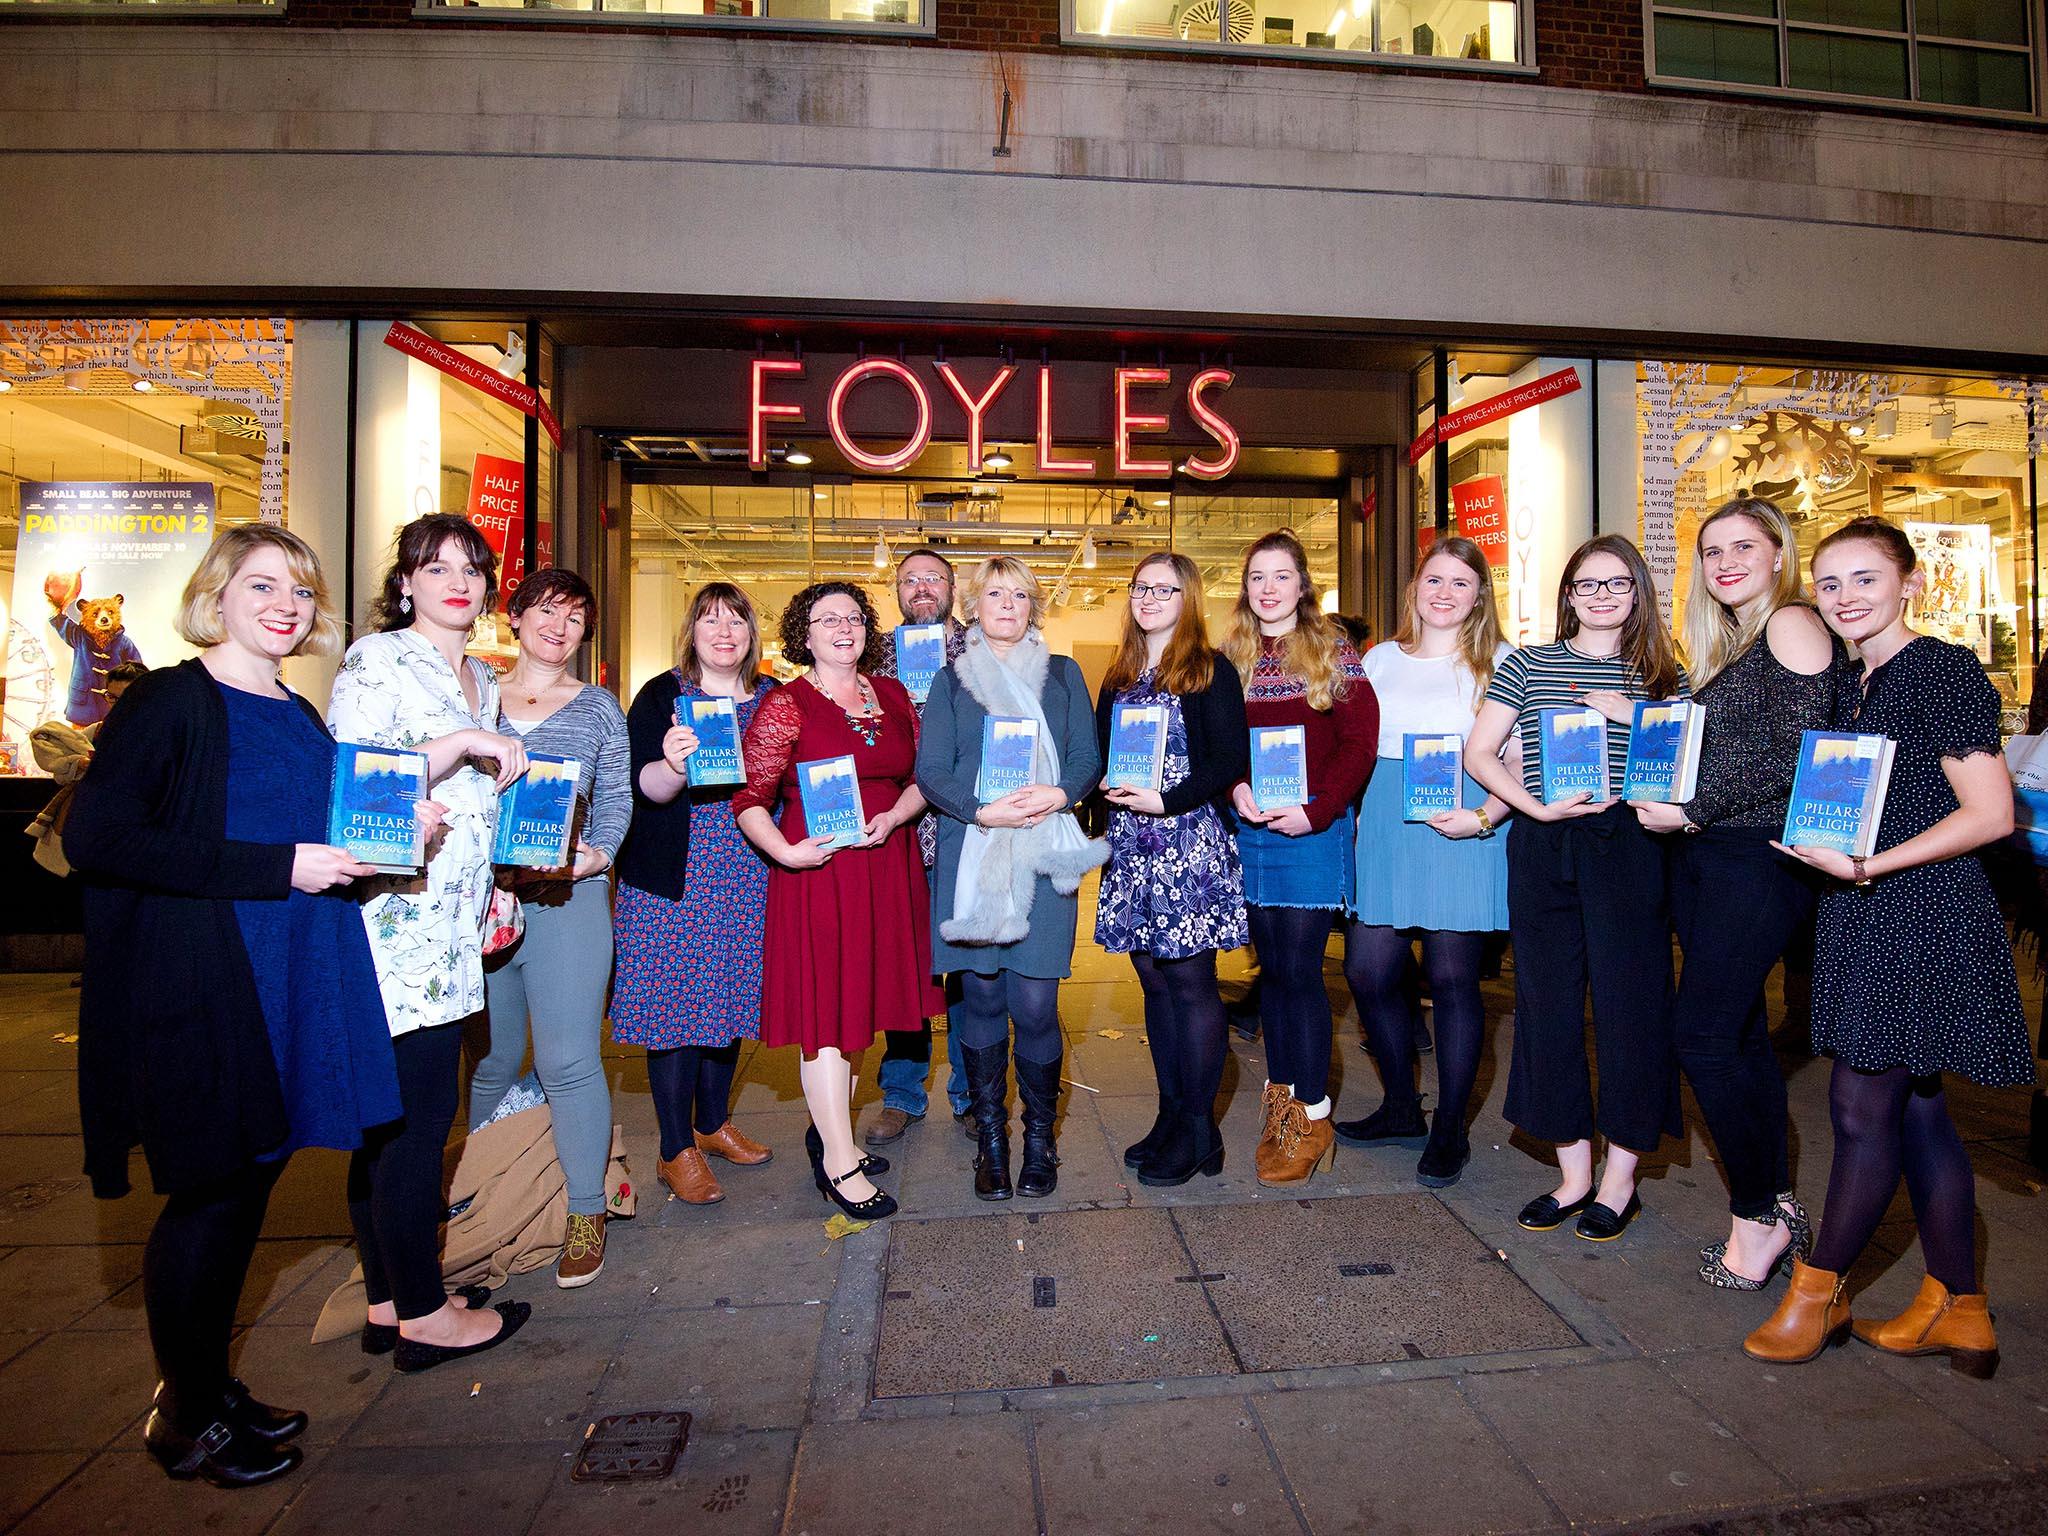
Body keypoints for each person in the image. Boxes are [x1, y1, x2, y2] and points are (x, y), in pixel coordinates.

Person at [66, 527, 402, 1487]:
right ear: (216, 595)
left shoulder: (295, 710)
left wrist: (384, 831)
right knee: (208, 1195)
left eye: (299, 588)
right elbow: (101, 837)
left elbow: (315, 826)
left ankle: (211, 1387)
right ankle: (182, 1417)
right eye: (262, 585)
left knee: (249, 1188)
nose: (285, 604)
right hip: (209, 981)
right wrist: (278, 867)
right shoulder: (173, 701)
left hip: (288, 974)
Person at [1745, 517, 2031, 1375]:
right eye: (1829, 584)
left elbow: (1991, 812)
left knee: (1859, 1110)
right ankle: (1960, 1306)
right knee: (1919, 1109)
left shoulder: (1938, 668)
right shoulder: (1855, 682)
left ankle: (1819, 1290)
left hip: (1919, 910)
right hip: (1868, 909)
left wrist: (1867, 864)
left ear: (1908, 582)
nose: (1845, 598)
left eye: (1865, 579)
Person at [327, 513, 532, 1372]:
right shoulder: (377, 661)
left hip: (454, 921)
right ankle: (423, 1315)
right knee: (411, 1126)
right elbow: (358, 784)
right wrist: (464, 742)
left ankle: (388, 1298)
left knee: (398, 1122)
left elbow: (484, 804)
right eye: (435, 566)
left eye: (472, 569)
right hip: (392, 922)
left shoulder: (480, 676)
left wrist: (499, 888)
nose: (458, 581)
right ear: (405, 582)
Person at [1626, 498, 1839, 1290]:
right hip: (1713, 859)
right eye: (1711, 550)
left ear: (1779, 552)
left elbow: (1799, 745)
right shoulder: (1735, 642)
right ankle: (1775, 1203)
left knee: (1705, 1036)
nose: (1725, 562)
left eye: (1743, 546)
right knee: (1739, 1035)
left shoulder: (1790, 622)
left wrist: (1692, 806)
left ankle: (1756, 1217)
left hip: (1755, 859)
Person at [1465, 534, 1687, 1242]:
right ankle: (1573, 1175)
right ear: (1567, 595)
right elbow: (1481, 751)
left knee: (1632, 1007)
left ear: (1637, 594)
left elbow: (1685, 760)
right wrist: (1532, 807)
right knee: (1547, 1003)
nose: (1600, 596)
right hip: (1544, 841)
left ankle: (1621, 1182)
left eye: (1616, 584)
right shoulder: (1529, 663)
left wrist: (1634, 714)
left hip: (1629, 844)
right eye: (1586, 585)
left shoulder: (1661, 675)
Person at [734, 581, 944, 1221]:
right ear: (805, 632)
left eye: (853, 617)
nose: (843, 628)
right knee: (829, 1019)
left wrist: (898, 816)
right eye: (828, 619)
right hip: (821, 876)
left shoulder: (894, 694)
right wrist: (786, 852)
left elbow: (920, 780)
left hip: (888, 867)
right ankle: (837, 1162)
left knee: (860, 1014)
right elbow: (749, 799)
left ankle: (834, 1134)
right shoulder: (787, 705)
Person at [916, 557, 1105, 1199]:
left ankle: (1041, 1137)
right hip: (976, 852)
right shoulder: (951, 681)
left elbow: (1086, 755)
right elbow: (931, 770)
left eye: (1019, 594)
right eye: (994, 594)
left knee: (1035, 1003)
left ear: (1034, 607)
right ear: (974, 605)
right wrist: (981, 809)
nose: (1007, 604)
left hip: (1043, 851)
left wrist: (1059, 794)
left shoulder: (1065, 675)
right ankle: (992, 1138)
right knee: (985, 998)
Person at [466, 567, 631, 1289]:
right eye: (545, 612)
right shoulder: (472, 692)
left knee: (567, 1060)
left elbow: (617, 797)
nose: (558, 628)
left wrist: (601, 853)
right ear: (515, 619)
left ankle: (585, 1212)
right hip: (482, 902)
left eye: (573, 617)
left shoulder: (597, 707)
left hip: (568, 898)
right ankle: (476, 1196)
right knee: (495, 1061)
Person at [1337, 537, 1513, 1189]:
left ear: (1478, 596)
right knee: (1369, 968)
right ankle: (1402, 1106)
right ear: (1415, 589)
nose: (1444, 592)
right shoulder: (1378, 658)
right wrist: (1351, 811)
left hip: (1464, 820)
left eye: (1461, 582)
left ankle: (1451, 1129)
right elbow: (1356, 744)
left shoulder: (1499, 660)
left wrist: (1488, 815)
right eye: (1434, 579)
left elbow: (1519, 757)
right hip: (1387, 817)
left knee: (1452, 977)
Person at [612, 582, 778, 1210]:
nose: (724, 631)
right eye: (710, 619)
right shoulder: (663, 695)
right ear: (692, 631)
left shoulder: (770, 698)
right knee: (673, 1008)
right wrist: (674, 764)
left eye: (736, 620)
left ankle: (712, 1122)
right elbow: (644, 787)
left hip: (747, 870)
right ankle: (674, 1147)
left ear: (750, 633)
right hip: (673, 876)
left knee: (728, 999)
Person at [1220, 530, 1376, 1188]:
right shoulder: (1229, 656)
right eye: (1258, 576)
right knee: (1274, 976)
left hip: (1312, 830)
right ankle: (1282, 1107)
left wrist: (1317, 810)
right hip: (1253, 827)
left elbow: (1358, 742)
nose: (1269, 587)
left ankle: (1313, 1117)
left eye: (1282, 576)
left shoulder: (1332, 651)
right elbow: (1218, 741)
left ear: (1302, 584)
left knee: (1301, 974)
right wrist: (1235, 789)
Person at [1096, 551, 1250, 1187]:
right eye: (1140, 588)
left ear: (1188, 598)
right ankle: (1170, 1115)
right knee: (1153, 984)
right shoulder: (1120, 674)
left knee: (1191, 985)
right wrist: (1101, 788)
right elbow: (1107, 754)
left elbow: (1226, 759)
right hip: (1133, 845)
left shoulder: (1209, 671)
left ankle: (1198, 1127)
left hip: (1186, 841)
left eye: (1165, 588)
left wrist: (1167, 798)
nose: (1149, 597)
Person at [868, 546, 973, 1147]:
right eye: (910, 580)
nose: (922, 587)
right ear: (897, 592)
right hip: (895, 833)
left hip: (960, 831)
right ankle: (902, 1092)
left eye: (933, 577)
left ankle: (968, 1090)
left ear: (951, 587)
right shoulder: (870, 653)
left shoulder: (982, 648)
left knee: (963, 968)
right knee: (903, 969)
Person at [28, 661, 146, 879]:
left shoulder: (159, 736)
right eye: (111, 697)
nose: (118, 705)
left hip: (131, 837)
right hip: (85, 831)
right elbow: (61, 775)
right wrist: (78, 763)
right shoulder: (98, 730)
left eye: (126, 697)